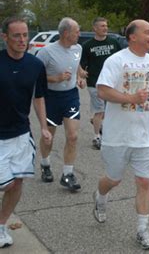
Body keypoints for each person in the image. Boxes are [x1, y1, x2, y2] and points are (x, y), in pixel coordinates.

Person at [92, 19, 149, 250]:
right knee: (113, 179)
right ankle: (100, 197)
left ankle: (142, 230)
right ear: (132, 36)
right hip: (117, 136)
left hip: (145, 136)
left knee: (145, 181)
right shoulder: (116, 60)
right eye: (147, 32)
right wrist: (131, 99)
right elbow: (102, 90)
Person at [0, 17, 52, 248]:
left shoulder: (35, 65)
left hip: (21, 134)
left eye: (25, 35)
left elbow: (38, 97)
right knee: (6, 184)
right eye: (16, 36)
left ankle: (1, 226)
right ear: (5, 38)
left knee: (17, 181)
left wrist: (43, 126)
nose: (23, 40)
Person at [37, 17, 86, 191]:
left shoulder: (78, 48)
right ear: (66, 33)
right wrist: (56, 78)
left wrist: (79, 76)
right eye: (77, 31)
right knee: (48, 137)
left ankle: (67, 174)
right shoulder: (46, 52)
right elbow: (37, 77)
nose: (79, 34)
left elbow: (76, 63)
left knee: (73, 136)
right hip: (51, 97)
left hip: (71, 96)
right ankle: (45, 164)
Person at [80, 17, 121, 150]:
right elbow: (80, 64)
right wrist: (81, 73)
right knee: (99, 110)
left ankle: (98, 124)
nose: (105, 28)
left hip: (113, 83)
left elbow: (122, 59)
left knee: (110, 110)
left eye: (106, 26)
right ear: (95, 28)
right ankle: (97, 137)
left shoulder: (114, 42)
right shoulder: (87, 46)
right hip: (95, 83)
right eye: (102, 26)